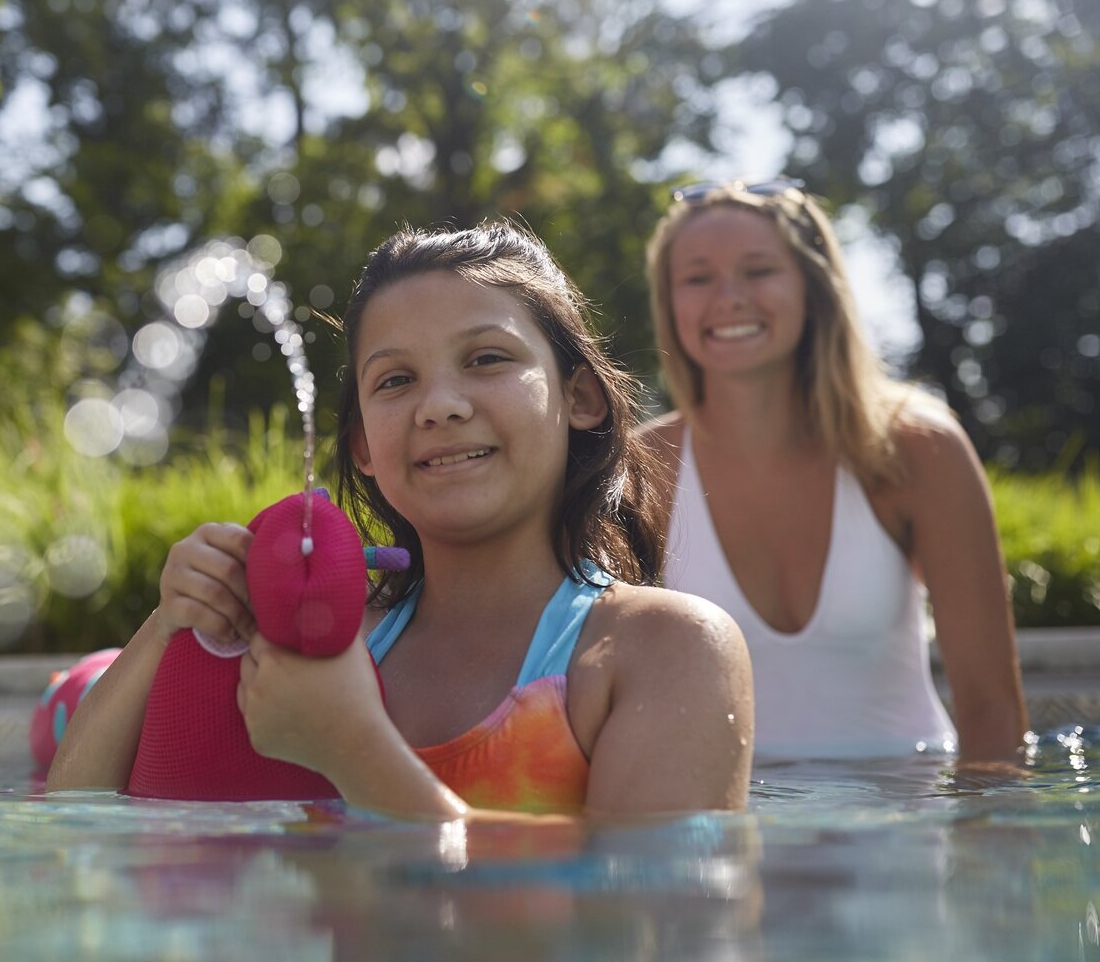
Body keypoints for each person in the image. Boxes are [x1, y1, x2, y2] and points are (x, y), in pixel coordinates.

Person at [47, 221, 753, 817]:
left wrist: (352, 747)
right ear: (363, 447)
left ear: (581, 400)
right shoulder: (325, 638)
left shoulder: (663, 650)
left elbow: (653, 916)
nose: (439, 405)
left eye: (486, 359)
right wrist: (166, 625)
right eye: (395, 380)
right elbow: (75, 820)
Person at [639, 178, 1028, 763]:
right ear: (670, 303)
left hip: (908, 824)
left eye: (758, 270)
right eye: (697, 278)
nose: (729, 297)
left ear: (814, 289)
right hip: (722, 842)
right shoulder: (641, 468)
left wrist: (987, 845)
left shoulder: (918, 447)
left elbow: (992, 711)